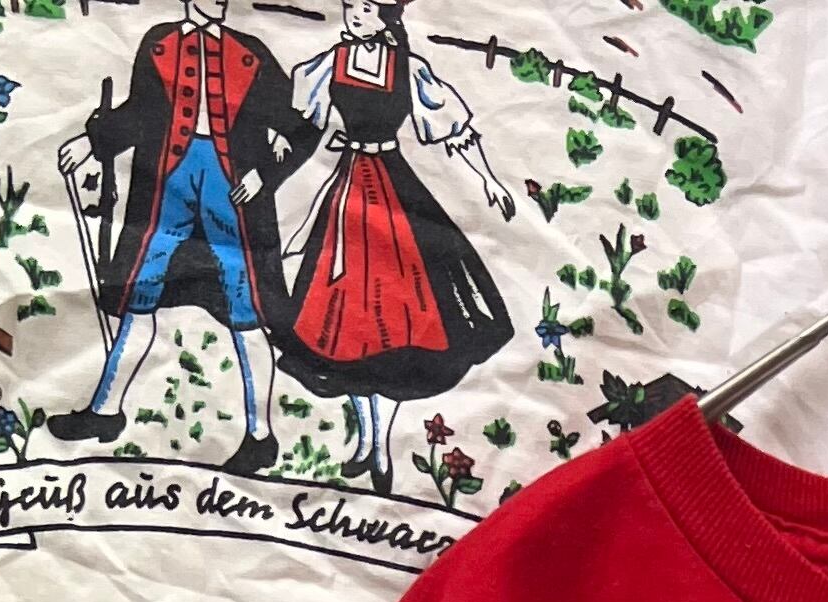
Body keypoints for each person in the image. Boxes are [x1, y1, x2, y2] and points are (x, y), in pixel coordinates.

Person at [50, 0, 317, 475]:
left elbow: (301, 127)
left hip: (231, 190)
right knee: (138, 294)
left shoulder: (251, 53)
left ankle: (261, 437)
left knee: (246, 307)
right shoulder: (160, 43)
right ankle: (105, 411)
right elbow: (139, 112)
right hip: (165, 187)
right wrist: (94, 141)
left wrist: (264, 174)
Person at [277, 0, 515, 496]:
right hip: (347, 196)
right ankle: (365, 441)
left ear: (385, 15)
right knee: (344, 322)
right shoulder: (330, 63)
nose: (353, 15)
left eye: (364, 8)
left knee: (398, 317)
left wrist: (489, 180)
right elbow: (301, 122)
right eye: (349, 6)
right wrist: (278, 145)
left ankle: (381, 445)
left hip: (394, 192)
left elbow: (452, 131)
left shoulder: (408, 69)